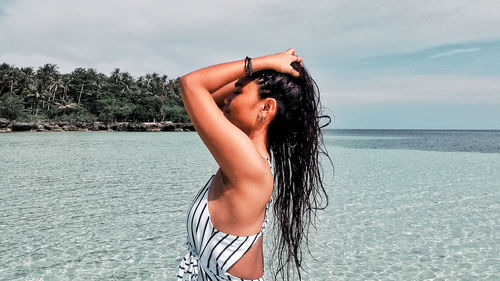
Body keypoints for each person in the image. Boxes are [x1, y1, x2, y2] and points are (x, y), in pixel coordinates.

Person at [177, 49, 331, 281]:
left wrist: (264, 62)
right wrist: (258, 74)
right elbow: (208, 95)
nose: (227, 99)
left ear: (266, 108)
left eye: (237, 92)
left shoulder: (248, 164)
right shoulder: (250, 161)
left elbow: (192, 84)